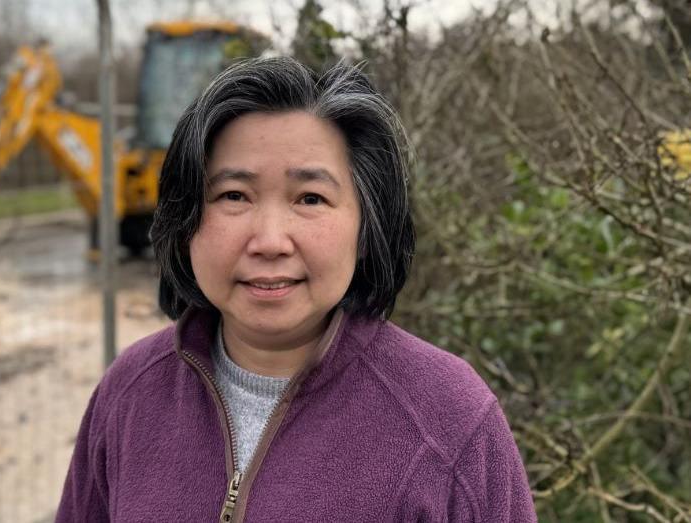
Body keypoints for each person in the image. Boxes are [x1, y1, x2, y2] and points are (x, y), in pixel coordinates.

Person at [54, 57, 537, 522]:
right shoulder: (129, 393)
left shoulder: (448, 419)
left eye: (310, 198)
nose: (268, 241)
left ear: (367, 227)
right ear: (186, 224)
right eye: (233, 196)